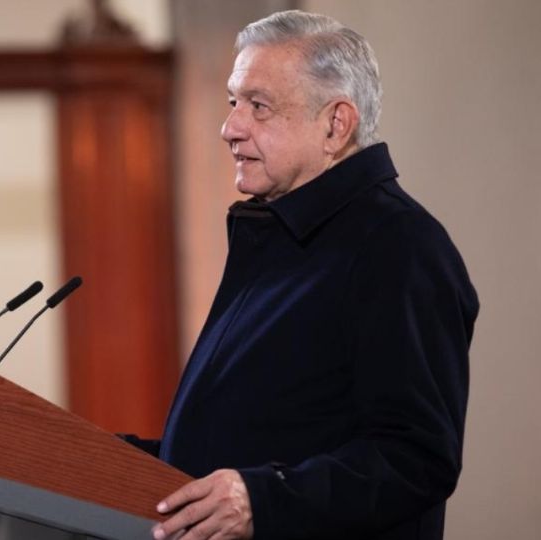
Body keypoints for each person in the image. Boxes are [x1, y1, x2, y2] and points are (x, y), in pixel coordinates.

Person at [124, 10, 479, 540]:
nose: (230, 128)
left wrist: (263, 500)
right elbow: (251, 443)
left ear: (336, 124)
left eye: (259, 106)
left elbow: (416, 457)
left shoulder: (398, 245)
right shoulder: (277, 235)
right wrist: (95, 456)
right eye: (233, 101)